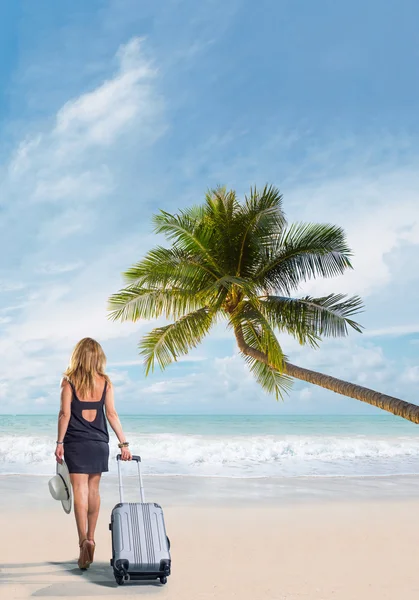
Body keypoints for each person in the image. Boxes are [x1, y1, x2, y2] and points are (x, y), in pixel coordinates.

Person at [55, 337, 132, 569]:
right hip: (99, 443)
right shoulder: (106, 382)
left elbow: (64, 415)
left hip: (76, 443)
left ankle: (82, 542)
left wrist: (59, 442)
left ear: (77, 355)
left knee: (79, 490)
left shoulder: (68, 382)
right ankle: (92, 536)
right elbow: (112, 414)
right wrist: (124, 444)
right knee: (94, 490)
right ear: (98, 357)